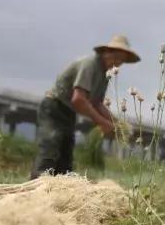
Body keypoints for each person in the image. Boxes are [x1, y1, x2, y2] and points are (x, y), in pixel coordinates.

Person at [30, 35, 140, 178]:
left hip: (69, 112)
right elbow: (78, 99)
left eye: (122, 60)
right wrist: (103, 123)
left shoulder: (104, 73)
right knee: (49, 150)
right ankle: (34, 190)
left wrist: (117, 123)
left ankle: (56, 194)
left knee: (65, 161)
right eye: (116, 56)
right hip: (54, 108)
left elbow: (96, 103)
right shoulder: (89, 65)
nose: (118, 63)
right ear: (107, 52)